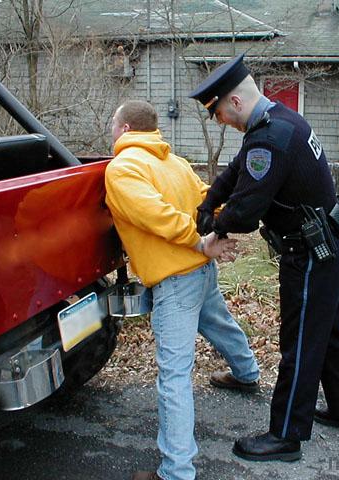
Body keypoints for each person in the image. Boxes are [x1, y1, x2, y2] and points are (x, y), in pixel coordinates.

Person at [189, 55, 339, 462]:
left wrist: (210, 226)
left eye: (217, 113)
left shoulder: (269, 139)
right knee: (328, 328)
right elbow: (237, 171)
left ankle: (286, 435)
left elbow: (247, 212)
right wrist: (209, 200)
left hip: (309, 252)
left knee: (300, 340)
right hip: (333, 241)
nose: (219, 122)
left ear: (233, 102)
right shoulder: (281, 119)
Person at [104, 100, 260, 480]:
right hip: (200, 273)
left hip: (177, 277)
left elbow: (157, 214)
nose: (111, 129)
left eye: (112, 123)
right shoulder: (174, 162)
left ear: (125, 129)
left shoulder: (122, 168)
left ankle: (175, 472)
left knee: (173, 376)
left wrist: (200, 241)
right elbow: (207, 198)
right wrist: (216, 233)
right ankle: (246, 372)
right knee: (218, 321)